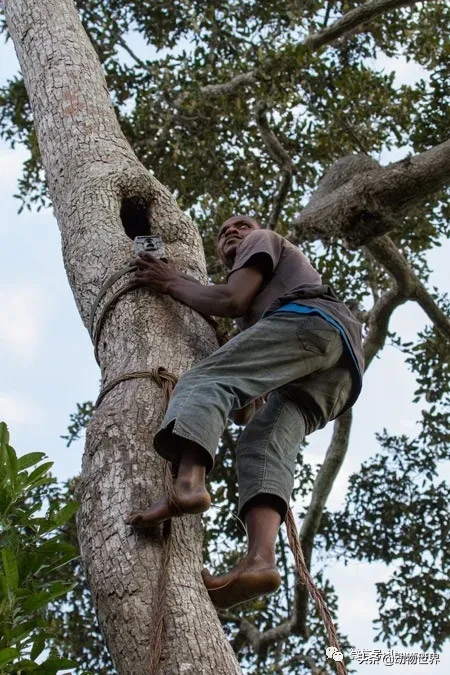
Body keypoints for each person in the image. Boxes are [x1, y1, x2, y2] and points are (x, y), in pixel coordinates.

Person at [126, 215, 364, 609]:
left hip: (310, 323)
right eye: (222, 233)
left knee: (205, 379)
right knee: (262, 443)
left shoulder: (265, 240)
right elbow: (244, 415)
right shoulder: (258, 316)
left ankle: (188, 484)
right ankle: (259, 563)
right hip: (339, 377)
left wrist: (168, 280)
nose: (232, 232)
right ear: (219, 256)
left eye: (241, 225)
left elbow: (230, 300)